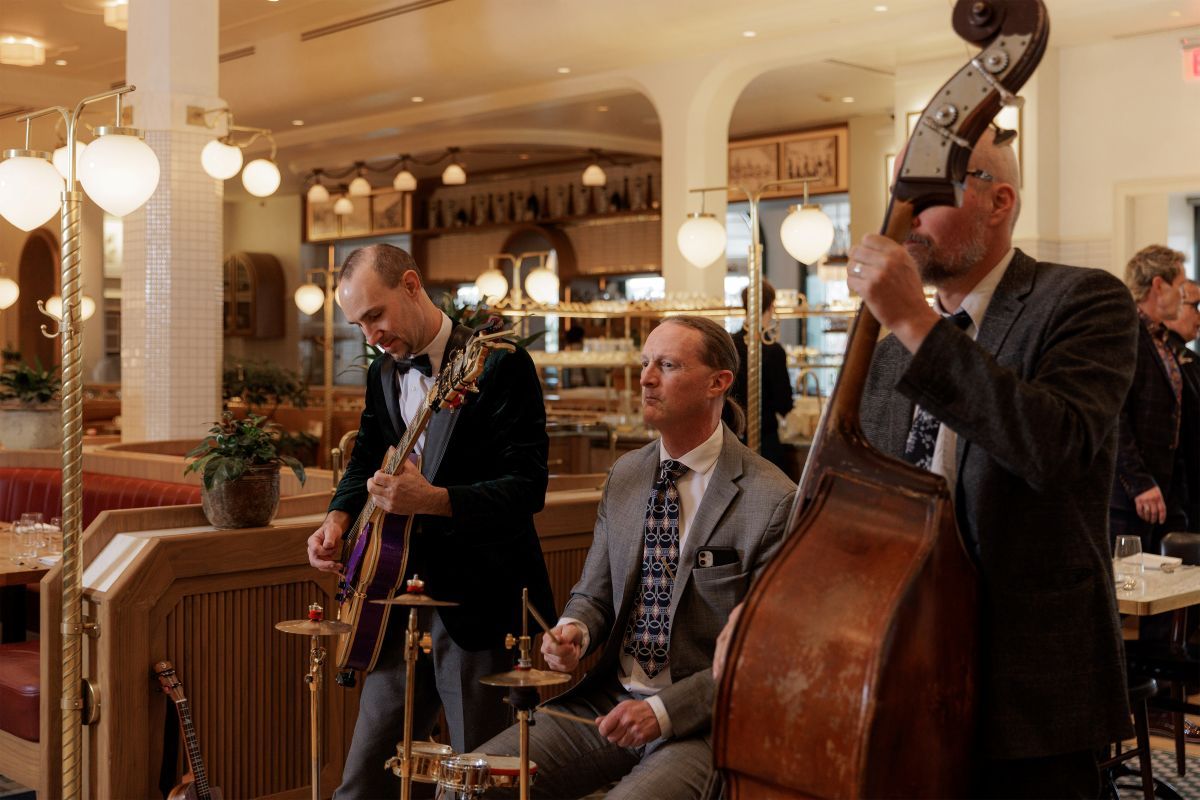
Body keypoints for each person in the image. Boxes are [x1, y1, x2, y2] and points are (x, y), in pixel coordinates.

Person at [844, 129, 1138, 797]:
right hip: (906, 667)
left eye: (925, 195)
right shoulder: (889, 346)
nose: (902, 219)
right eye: (897, 196)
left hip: (1030, 682)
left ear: (998, 201)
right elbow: (857, 498)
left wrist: (916, 324)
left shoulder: (1083, 301)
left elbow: (1054, 448)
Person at [475, 316, 796, 799]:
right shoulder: (626, 474)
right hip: (609, 701)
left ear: (718, 383)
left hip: (703, 721)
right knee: (474, 780)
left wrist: (662, 713)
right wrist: (575, 632)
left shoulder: (772, 499)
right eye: (645, 363)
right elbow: (593, 594)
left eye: (666, 365)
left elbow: (764, 657)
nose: (645, 378)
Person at [305, 244, 555, 799]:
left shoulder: (499, 364)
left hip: (479, 604)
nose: (371, 334)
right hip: (393, 600)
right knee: (366, 779)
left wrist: (436, 500)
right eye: (358, 324)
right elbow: (369, 452)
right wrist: (338, 519)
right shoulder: (383, 372)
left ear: (412, 285)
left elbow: (527, 490)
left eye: (376, 315)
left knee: (477, 779)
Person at [1110, 245, 1189, 550]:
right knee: (1129, 587)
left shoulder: (1161, 338)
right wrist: (1139, 483)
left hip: (1162, 492)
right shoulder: (1124, 331)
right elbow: (1114, 414)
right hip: (1129, 498)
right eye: (1180, 287)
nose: (1184, 296)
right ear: (1158, 285)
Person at [731, 279, 795, 474]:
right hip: (765, 441)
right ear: (770, 306)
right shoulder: (772, 350)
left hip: (731, 436)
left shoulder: (729, 344)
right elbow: (784, 403)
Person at [1164, 278, 1199, 531]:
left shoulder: (1191, 359)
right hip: (1172, 486)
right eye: (1194, 306)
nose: (1198, 316)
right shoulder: (1163, 356)